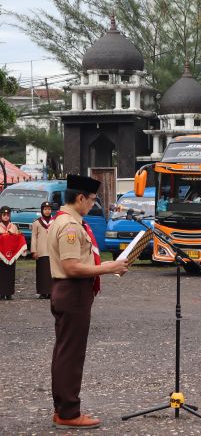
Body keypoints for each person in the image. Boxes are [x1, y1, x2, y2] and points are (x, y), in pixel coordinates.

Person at [48, 174, 129, 429]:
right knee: (71, 355)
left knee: (66, 351)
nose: (93, 204)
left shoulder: (67, 221)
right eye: (92, 199)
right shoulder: (70, 227)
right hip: (72, 291)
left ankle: (63, 408)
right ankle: (68, 413)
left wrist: (105, 265)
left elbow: (79, 262)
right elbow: (71, 267)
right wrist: (107, 269)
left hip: (71, 291)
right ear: (80, 198)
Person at [0, 205, 25, 300]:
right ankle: (1, 293)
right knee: (1, 274)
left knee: (10, 274)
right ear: (1, 215)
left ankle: (9, 293)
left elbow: (17, 238)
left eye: (8, 215)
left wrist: (16, 234)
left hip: (11, 254)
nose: (6, 217)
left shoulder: (14, 226)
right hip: (1, 255)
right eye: (4, 215)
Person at [31, 201, 54, 299]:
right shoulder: (37, 222)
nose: (47, 211)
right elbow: (34, 237)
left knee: (52, 273)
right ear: (42, 210)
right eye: (45, 209)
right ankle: (42, 292)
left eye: (49, 209)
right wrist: (34, 250)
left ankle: (51, 292)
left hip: (53, 251)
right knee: (42, 272)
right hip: (41, 251)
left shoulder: (55, 222)